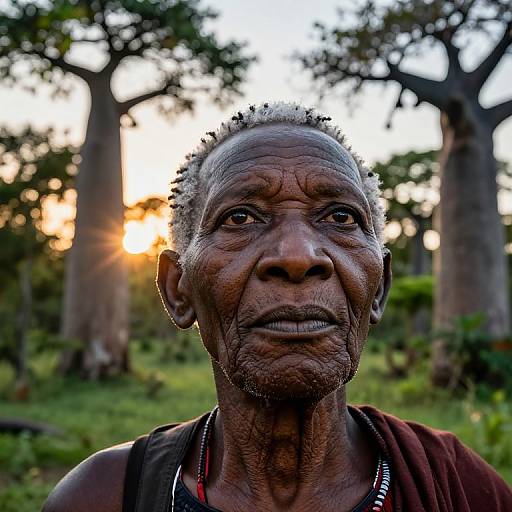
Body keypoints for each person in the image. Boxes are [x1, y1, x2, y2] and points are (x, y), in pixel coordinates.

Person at [43, 102, 512, 512]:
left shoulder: (462, 488)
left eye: (340, 217)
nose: (296, 256)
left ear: (380, 289)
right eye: (240, 217)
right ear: (178, 289)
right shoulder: (102, 498)